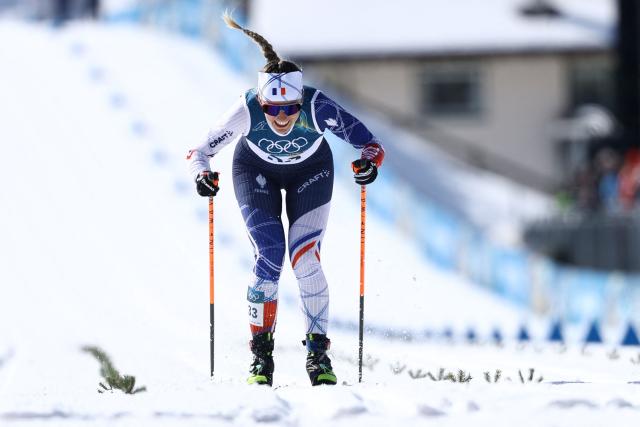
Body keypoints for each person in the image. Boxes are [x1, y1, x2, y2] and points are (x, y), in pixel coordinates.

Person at [187, 13, 385, 386]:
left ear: (300, 100)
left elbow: (371, 144)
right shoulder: (244, 110)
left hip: (310, 172)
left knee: (305, 257)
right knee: (270, 253)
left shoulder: (318, 106)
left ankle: (318, 355)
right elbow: (199, 152)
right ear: (261, 103)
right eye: (272, 109)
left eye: (290, 108)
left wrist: (368, 164)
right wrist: (203, 175)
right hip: (254, 172)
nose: (281, 117)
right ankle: (261, 356)